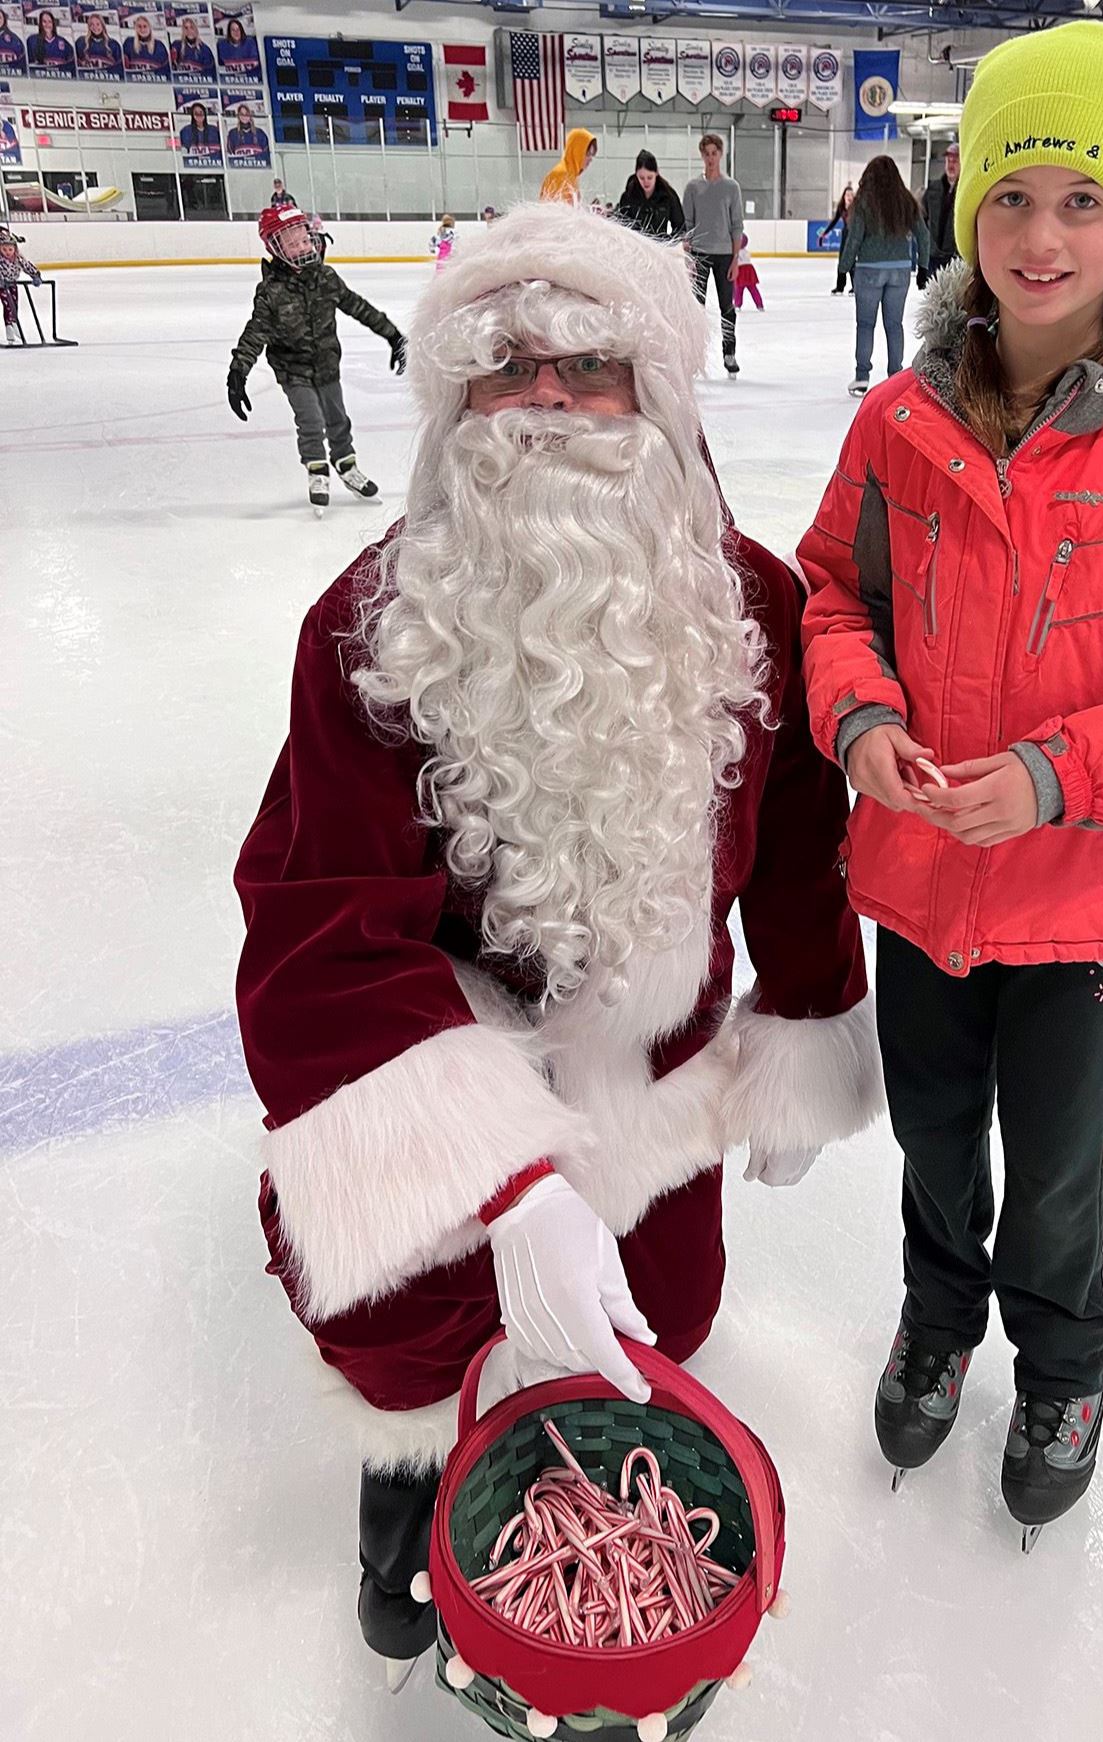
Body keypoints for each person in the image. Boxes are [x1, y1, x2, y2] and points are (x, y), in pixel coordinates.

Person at [231, 200, 881, 1681]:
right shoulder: (369, 625)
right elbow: (321, 930)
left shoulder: (753, 602)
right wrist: (509, 1187)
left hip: (654, 1056)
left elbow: (795, 842)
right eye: (503, 365)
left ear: (654, 397)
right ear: (453, 397)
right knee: (421, 1298)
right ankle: (410, 1463)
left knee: (668, 1304)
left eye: (588, 366)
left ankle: (582, 1438)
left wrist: (807, 1024)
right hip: (450, 1043)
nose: (543, 400)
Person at [799, 20, 1103, 1549]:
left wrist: (1059, 773)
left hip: (1077, 900)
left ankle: (1062, 1368)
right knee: (936, 1144)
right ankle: (937, 1323)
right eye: (1012, 195)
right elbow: (832, 596)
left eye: (1084, 198)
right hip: (920, 881)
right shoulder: (899, 421)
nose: (1042, 235)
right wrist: (860, 718)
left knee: (1057, 1173)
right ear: (966, 211)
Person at [226, 205, 406, 511]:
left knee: (337, 419)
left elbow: (358, 307)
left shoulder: (326, 278)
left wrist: (393, 335)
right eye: (293, 244)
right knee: (310, 420)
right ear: (276, 249)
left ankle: (346, 465)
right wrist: (238, 371)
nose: (303, 247)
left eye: (305, 240)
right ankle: (317, 470)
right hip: (292, 369)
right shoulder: (271, 292)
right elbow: (256, 332)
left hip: (326, 365)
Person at [839, 154, 931, 397]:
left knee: (866, 324)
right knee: (894, 324)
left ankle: (862, 376)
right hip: (900, 271)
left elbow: (854, 238)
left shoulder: (863, 203)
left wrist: (843, 267)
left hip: (869, 270)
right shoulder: (906, 201)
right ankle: (895, 375)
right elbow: (923, 236)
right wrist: (923, 267)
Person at [683, 132, 743, 378]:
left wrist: (736, 259)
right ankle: (694, 356)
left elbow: (737, 225)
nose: (710, 158)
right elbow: (687, 225)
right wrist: (687, 258)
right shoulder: (692, 188)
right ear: (702, 155)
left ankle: (729, 353)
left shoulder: (731, 187)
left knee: (727, 307)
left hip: (724, 256)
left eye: (714, 153)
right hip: (699, 255)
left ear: (721, 154)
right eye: (706, 153)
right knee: (697, 309)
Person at [615, 149, 685, 239]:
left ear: (656, 173)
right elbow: (620, 225)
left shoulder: (668, 195)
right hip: (635, 247)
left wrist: (669, 244)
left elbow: (680, 226)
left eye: (649, 177)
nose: (646, 182)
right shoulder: (628, 196)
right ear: (636, 175)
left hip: (659, 248)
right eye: (641, 178)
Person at [922, 140, 962, 277]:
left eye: (955, 160)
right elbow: (922, 217)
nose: (951, 164)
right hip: (933, 256)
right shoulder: (933, 189)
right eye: (948, 160)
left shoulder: (966, 191)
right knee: (933, 296)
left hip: (955, 257)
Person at [1, 226, 41, 346]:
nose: (7, 252)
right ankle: (9, 327)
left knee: (14, 304)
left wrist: (35, 275)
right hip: (2, 285)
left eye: (10, 249)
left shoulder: (18, 259)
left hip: (12, 283)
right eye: (4, 250)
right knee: (8, 304)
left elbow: (27, 266)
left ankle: (13, 323)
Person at [539, 127, 596, 206]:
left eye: (592, 155)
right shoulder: (561, 174)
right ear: (577, 151)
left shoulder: (571, 176)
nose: (590, 159)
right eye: (588, 154)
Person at [818, 184, 855, 294]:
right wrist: (824, 234)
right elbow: (834, 221)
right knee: (842, 260)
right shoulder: (841, 207)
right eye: (847, 195)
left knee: (852, 262)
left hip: (854, 235)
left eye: (851, 195)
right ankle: (840, 287)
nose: (849, 197)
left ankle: (855, 286)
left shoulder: (857, 207)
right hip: (845, 235)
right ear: (844, 196)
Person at [122, 11, 169, 78]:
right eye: (139, 26)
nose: (142, 29)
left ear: (150, 27)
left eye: (145, 26)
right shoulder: (129, 43)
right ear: (136, 28)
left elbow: (166, 71)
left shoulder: (159, 46)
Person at [27, 7, 74, 71]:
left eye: (50, 22)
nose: (47, 24)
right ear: (40, 23)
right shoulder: (32, 40)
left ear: (53, 23)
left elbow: (71, 59)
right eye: (44, 21)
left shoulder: (62, 41)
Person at [75, 11, 122, 75]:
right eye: (92, 24)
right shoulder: (81, 42)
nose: (95, 27)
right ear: (89, 26)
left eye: (98, 24)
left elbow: (120, 68)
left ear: (102, 25)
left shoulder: (113, 44)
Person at [171, 12, 215, 77]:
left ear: (196, 29)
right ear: (183, 31)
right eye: (186, 28)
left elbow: (210, 75)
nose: (189, 31)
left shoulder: (205, 50)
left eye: (191, 27)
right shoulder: (177, 45)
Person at [733, 231, 762, 311]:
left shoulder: (735, 252)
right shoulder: (746, 252)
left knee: (739, 289)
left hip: (741, 270)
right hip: (749, 270)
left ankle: (738, 305)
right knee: (753, 288)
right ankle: (759, 304)